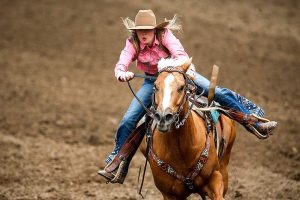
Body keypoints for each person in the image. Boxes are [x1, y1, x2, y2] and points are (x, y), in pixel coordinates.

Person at [98, 9, 277, 183]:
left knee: (216, 92)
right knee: (129, 119)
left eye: (146, 30)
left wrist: (168, 68)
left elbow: (181, 56)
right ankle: (118, 161)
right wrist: (122, 73)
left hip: (178, 75)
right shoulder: (132, 43)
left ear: (155, 30)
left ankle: (253, 120)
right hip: (152, 81)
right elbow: (121, 64)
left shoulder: (165, 36)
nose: (143, 34)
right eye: (139, 31)